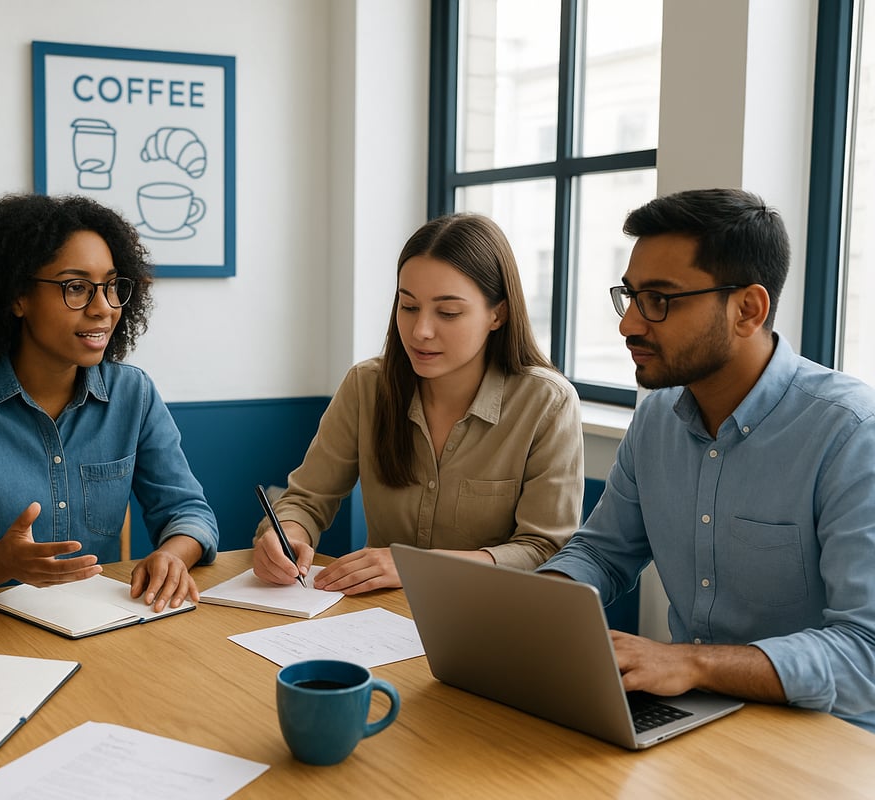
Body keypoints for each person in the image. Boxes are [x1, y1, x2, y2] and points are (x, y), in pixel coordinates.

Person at [540, 188, 875, 732]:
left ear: (748, 309)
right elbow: (602, 554)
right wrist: (542, 603)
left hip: (823, 739)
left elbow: (867, 652)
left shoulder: (851, 434)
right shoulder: (655, 419)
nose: (629, 325)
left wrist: (692, 662)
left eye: (660, 300)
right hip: (691, 716)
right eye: (630, 297)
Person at [0, 193, 218, 613]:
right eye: (77, 288)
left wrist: (174, 555)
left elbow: (189, 511)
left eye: (111, 286)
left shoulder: (132, 394)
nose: (103, 309)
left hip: (97, 623)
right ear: (17, 296)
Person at [253, 213, 584, 594]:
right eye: (408, 307)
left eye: (448, 312)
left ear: (498, 313)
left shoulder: (547, 403)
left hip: (491, 619)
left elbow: (544, 549)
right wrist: (287, 534)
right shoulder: (367, 386)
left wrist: (418, 567)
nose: (420, 331)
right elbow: (307, 500)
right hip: (379, 618)